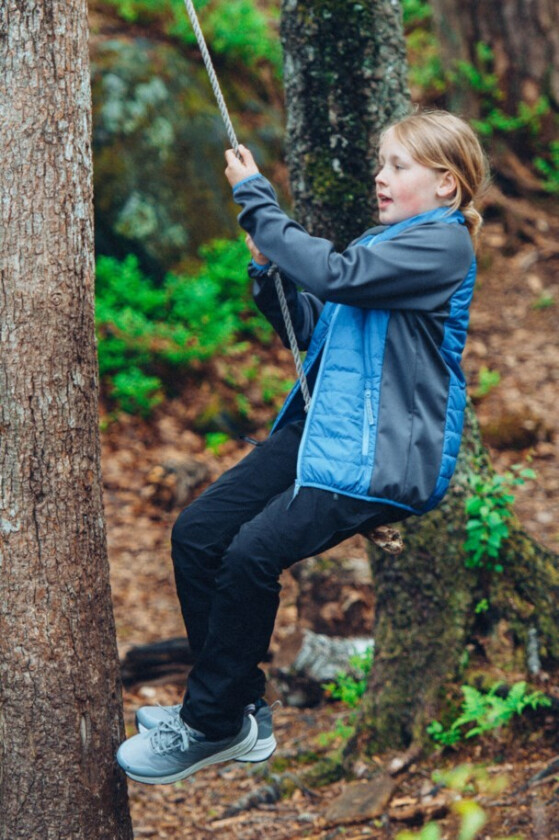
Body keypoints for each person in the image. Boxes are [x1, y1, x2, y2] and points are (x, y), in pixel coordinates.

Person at [117, 110, 489, 785]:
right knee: (200, 532)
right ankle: (236, 714)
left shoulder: (443, 245)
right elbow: (318, 328)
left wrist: (257, 202)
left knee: (252, 553)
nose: (380, 176)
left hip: (376, 454)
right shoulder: (389, 246)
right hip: (322, 431)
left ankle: (207, 724)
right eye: (381, 162)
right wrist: (272, 274)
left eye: (397, 165)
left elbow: (338, 276)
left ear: (446, 184)